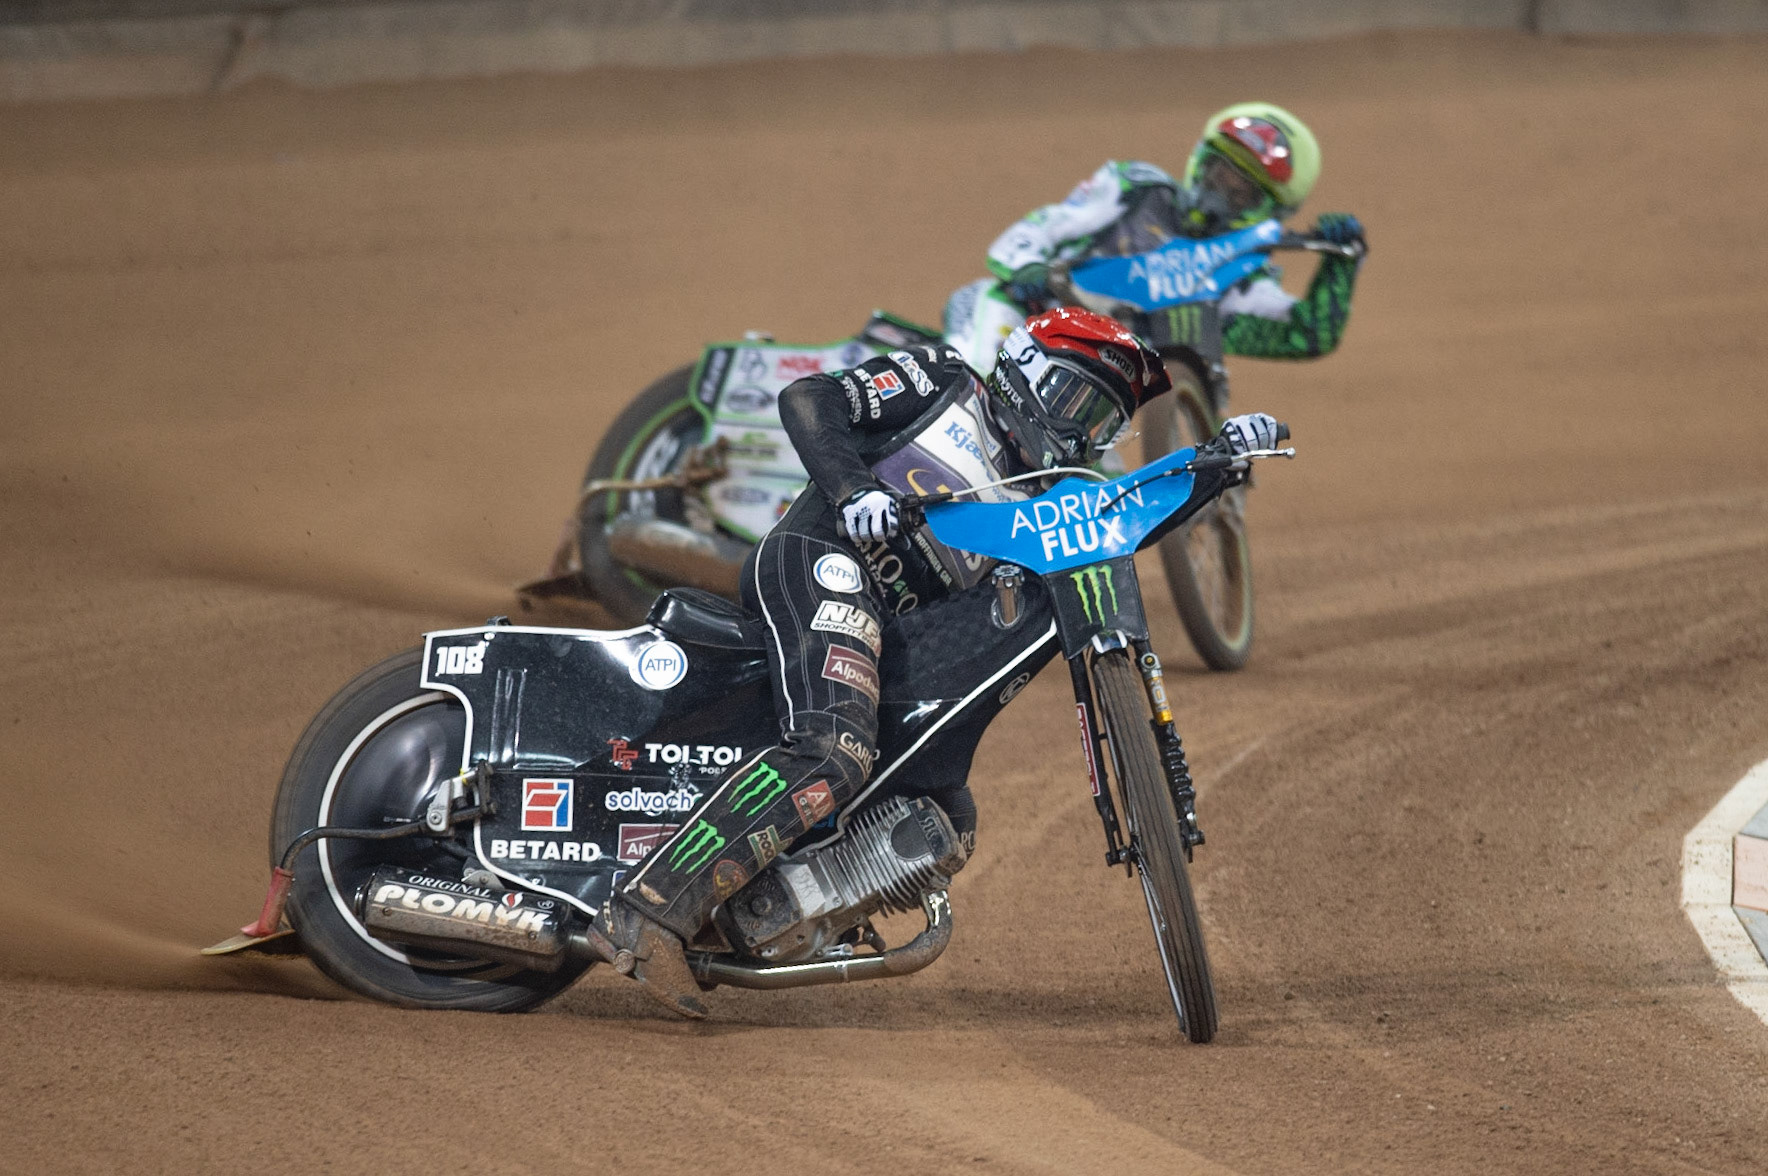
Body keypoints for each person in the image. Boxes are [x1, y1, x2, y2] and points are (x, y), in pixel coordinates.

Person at [598, 306, 1282, 1017]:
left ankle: (770, 908)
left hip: (890, 628)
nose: (1082, 433)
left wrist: (1216, 466)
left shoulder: (1051, 497)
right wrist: (854, 489)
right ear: (1026, 374)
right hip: (821, 557)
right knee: (834, 746)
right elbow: (810, 399)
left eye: (1104, 425)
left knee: (942, 813)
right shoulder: (946, 382)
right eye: (1078, 403)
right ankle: (649, 913)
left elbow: (1123, 524)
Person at [945, 101, 1367, 374]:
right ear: (1201, 162)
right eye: (1219, 174)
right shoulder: (1135, 188)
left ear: (1269, 210)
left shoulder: (1241, 279)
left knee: (1106, 500)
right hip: (1024, 317)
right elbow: (1043, 228)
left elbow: (1308, 334)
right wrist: (1030, 268)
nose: (1219, 194)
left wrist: (1341, 264)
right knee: (976, 370)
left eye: (1242, 192)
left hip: (1090, 383)